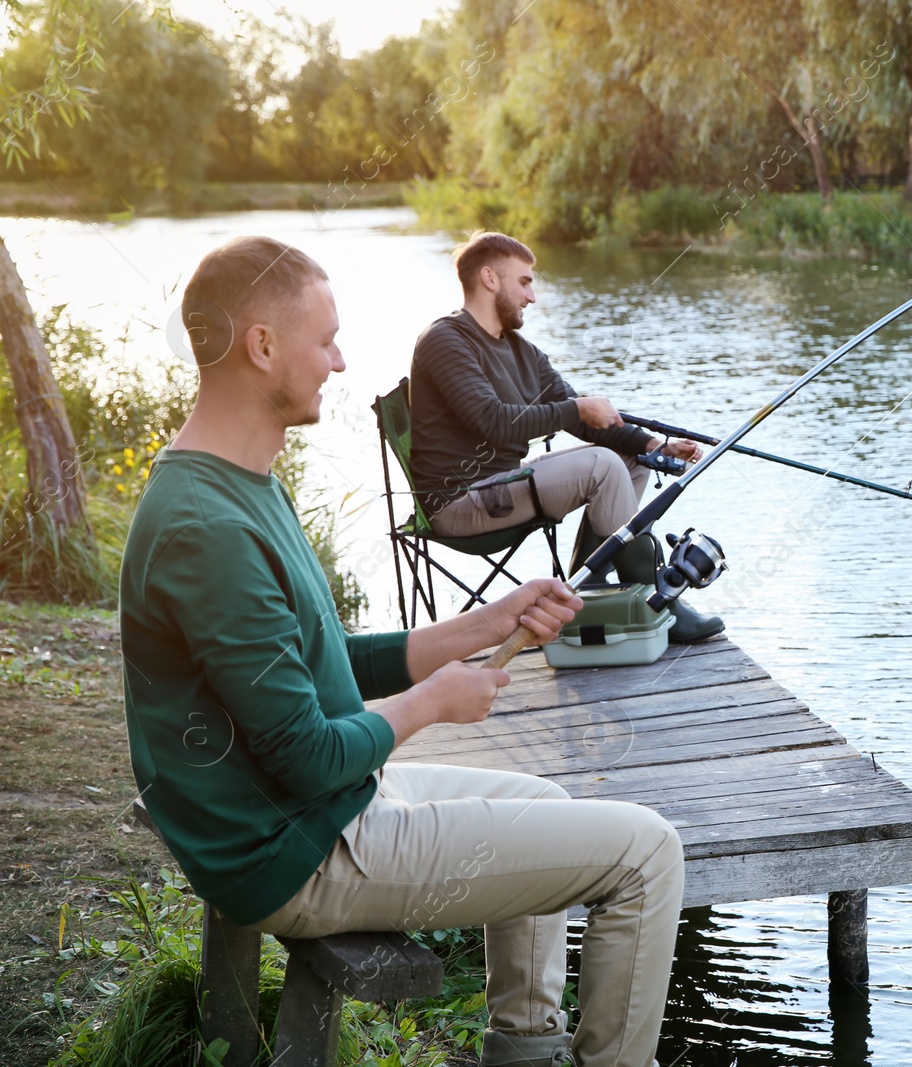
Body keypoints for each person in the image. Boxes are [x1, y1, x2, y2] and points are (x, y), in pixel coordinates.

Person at [121, 236, 684, 1067]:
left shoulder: (235, 480)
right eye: (326, 340)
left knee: (547, 800)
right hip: (296, 849)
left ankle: (523, 1052)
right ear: (262, 345)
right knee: (648, 851)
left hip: (305, 812)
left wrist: (489, 622)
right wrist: (433, 704)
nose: (341, 362)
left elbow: (320, 661)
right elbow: (308, 756)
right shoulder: (208, 528)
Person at [408, 231, 722, 643]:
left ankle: (585, 590)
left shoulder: (522, 351)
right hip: (458, 501)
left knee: (628, 461)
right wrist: (576, 408)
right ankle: (659, 602)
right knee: (603, 465)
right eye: (524, 281)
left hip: (501, 487)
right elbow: (493, 422)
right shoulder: (445, 341)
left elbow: (581, 419)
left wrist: (653, 446)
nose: (532, 296)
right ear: (489, 278)